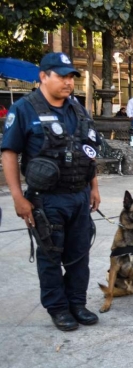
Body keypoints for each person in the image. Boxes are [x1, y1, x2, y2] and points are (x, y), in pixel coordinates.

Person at [1, 52, 102, 332]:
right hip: (46, 199)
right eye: (62, 76)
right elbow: (9, 153)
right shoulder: (24, 109)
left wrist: (94, 187)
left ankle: (77, 303)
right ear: (43, 76)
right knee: (51, 255)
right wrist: (18, 198)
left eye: (71, 76)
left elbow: (88, 152)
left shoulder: (78, 109)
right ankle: (58, 308)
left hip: (79, 195)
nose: (68, 82)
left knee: (79, 253)